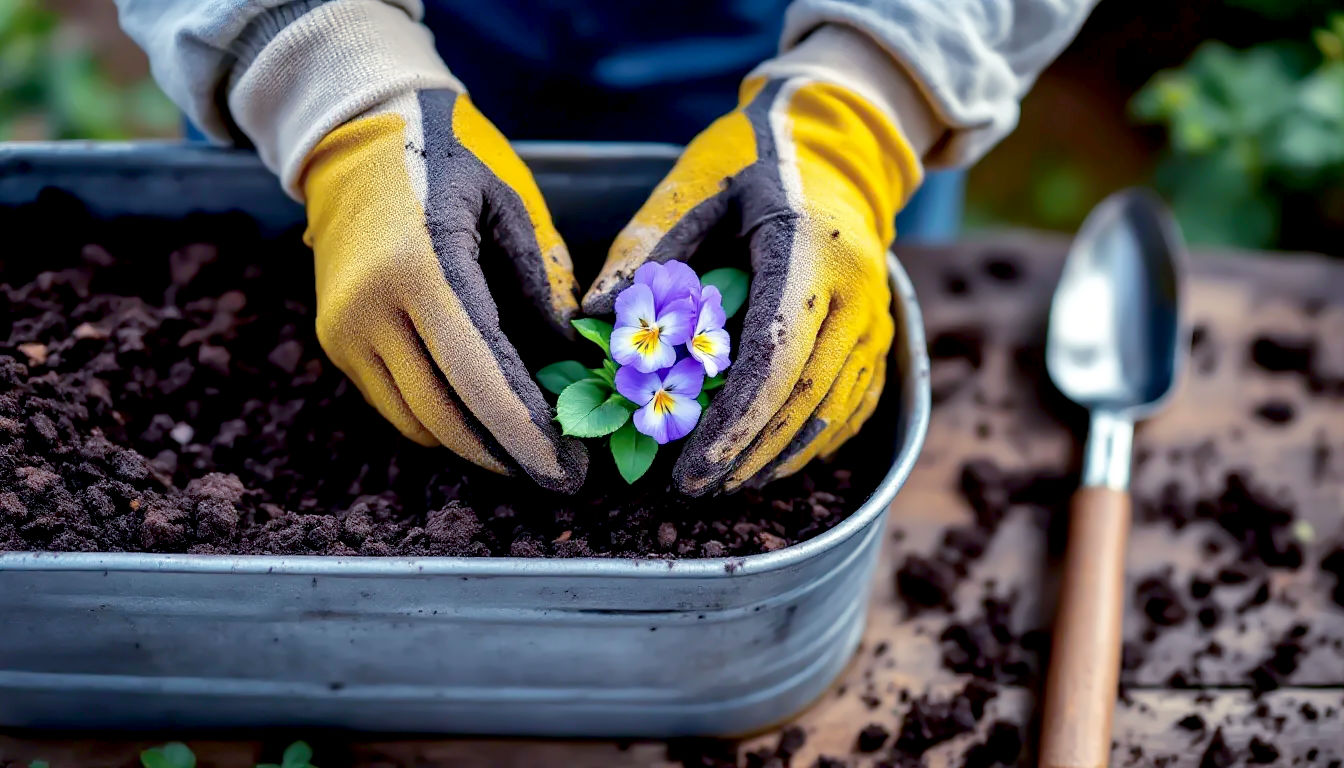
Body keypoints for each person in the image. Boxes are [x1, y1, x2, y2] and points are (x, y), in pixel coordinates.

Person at [114, 0, 1095, 495]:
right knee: (366, 276)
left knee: (806, 314)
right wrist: (320, 69)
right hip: (411, 23)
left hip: (793, 28)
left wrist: (873, 95)